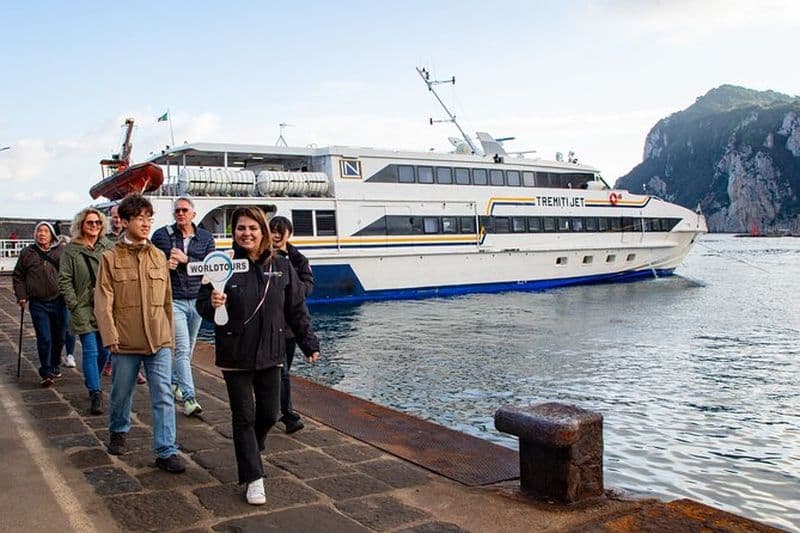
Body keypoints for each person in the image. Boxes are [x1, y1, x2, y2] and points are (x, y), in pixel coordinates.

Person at [197, 206, 319, 505]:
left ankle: (256, 443)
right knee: (243, 417)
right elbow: (203, 307)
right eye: (241, 228)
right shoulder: (222, 264)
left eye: (253, 228)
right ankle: (253, 477)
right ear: (234, 232)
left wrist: (308, 342)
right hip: (235, 353)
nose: (246, 233)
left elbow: (295, 308)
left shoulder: (281, 265)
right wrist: (213, 302)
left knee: (269, 413)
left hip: (271, 352)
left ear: (263, 231)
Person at [94, 194, 185, 473]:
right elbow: (103, 299)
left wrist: (168, 335)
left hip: (158, 340)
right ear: (125, 221)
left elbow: (167, 300)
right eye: (140, 218)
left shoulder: (159, 256)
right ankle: (118, 429)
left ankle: (166, 449)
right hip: (125, 340)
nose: (146, 224)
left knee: (163, 395)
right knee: (122, 393)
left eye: (149, 218)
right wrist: (110, 336)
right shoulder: (110, 258)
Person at [151, 196, 215, 417]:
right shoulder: (161, 236)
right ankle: (190, 398)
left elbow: (212, 267)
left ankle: (173, 382)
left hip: (198, 298)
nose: (180, 213)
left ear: (193, 214)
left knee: (189, 347)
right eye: (177, 210)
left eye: (184, 210)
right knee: (181, 348)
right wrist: (164, 265)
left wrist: (187, 260)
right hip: (174, 299)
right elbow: (150, 263)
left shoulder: (206, 238)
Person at [58, 208, 114, 414]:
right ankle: (95, 392)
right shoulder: (71, 250)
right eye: (90, 223)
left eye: (97, 223)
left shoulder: (108, 247)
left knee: (105, 350)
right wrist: (72, 303)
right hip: (82, 306)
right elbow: (64, 279)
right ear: (81, 225)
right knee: (90, 349)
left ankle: (94, 379)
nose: (94, 226)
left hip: (105, 305)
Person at [268, 215, 313, 434]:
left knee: (282, 371)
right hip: (269, 323)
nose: (276, 235)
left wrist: (286, 270)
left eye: (280, 231)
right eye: (273, 230)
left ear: (288, 233)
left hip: (289, 326)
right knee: (282, 371)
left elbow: (306, 288)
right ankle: (289, 416)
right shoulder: (261, 255)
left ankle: (276, 409)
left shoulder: (298, 259)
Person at [12, 222, 67, 386]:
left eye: (45, 231)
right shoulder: (27, 253)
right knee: (44, 337)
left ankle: (55, 362)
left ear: (52, 235)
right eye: (39, 231)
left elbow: (68, 274)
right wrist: (21, 295)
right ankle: (46, 371)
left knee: (60, 338)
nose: (41, 234)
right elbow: (18, 276)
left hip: (59, 301)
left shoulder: (60, 252)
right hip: (38, 303)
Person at [101, 204, 146, 385]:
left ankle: (135, 371)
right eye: (113, 216)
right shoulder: (105, 241)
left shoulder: (134, 240)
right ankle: (113, 364)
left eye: (119, 216)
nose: (116, 219)